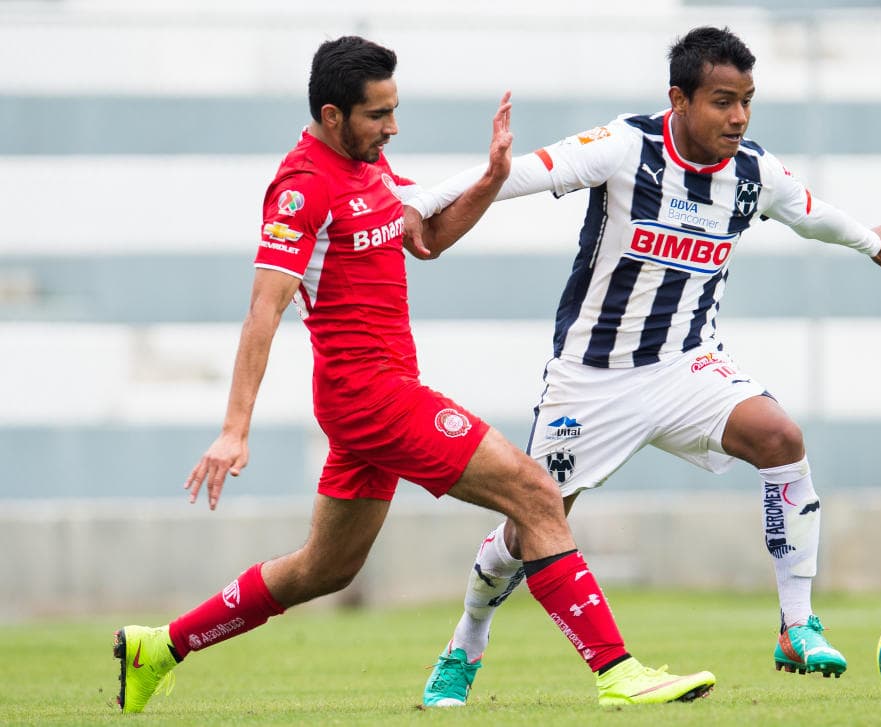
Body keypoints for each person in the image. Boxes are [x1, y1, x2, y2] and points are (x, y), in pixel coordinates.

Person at [111, 35, 718, 714]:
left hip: (371, 399)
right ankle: (615, 669)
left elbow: (425, 237)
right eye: (378, 115)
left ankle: (158, 646)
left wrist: (490, 179)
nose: (392, 127)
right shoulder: (302, 188)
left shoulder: (369, 170)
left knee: (325, 568)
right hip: (372, 396)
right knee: (535, 491)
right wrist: (233, 429)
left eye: (394, 110)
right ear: (333, 115)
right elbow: (263, 309)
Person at [405, 26, 881, 707]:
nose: (736, 117)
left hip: (685, 366)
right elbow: (521, 171)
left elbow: (809, 213)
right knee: (534, 523)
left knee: (780, 438)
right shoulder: (627, 148)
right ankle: (464, 643)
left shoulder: (752, 171)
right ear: (678, 98)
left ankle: (797, 624)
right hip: (590, 378)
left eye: (746, 101)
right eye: (721, 101)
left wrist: (868, 242)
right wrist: (418, 201)